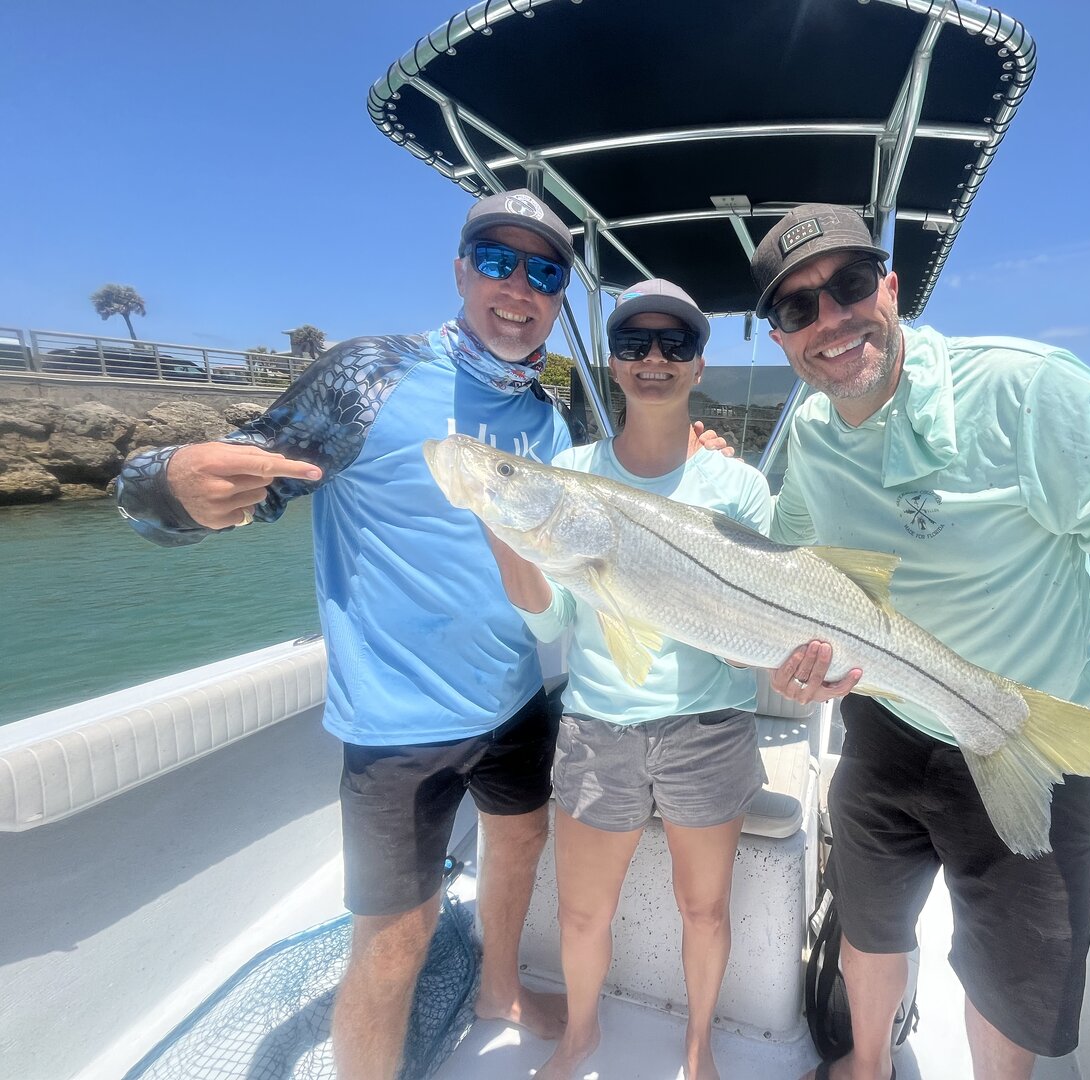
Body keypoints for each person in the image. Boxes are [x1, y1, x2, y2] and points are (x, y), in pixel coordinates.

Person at [115, 190, 725, 1080]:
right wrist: (167, 484)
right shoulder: (370, 374)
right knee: (396, 940)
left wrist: (693, 458)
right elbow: (245, 473)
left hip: (515, 696)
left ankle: (499, 991)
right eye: (497, 261)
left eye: (543, 272)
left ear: (558, 295)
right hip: (396, 720)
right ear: (460, 270)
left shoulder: (545, 414)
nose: (518, 288)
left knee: (517, 848)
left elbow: (599, 513)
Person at [750, 204, 1090, 1080]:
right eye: (797, 308)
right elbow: (791, 562)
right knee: (868, 923)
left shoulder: (1033, 394)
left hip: (1030, 732)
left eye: (849, 285)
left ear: (890, 288)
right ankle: (865, 1067)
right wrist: (797, 652)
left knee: (1007, 977)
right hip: (887, 721)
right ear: (783, 339)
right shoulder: (814, 435)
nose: (829, 319)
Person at [488, 279, 772, 1080]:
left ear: (699, 364)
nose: (654, 357)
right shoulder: (568, 475)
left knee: (704, 909)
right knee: (581, 914)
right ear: (612, 362)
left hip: (710, 727)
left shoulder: (740, 487)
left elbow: (755, 637)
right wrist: (508, 539)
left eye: (675, 343)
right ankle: (581, 1037)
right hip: (597, 727)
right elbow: (550, 623)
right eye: (633, 342)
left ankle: (698, 1048)